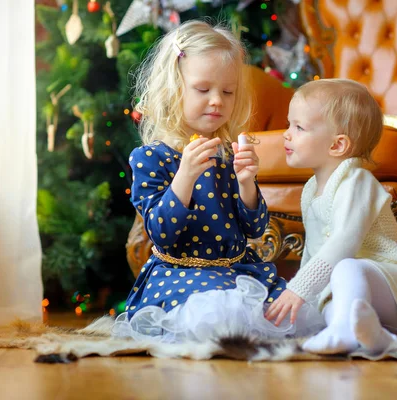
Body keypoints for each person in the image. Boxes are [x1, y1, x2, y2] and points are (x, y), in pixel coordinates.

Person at [113, 20, 323, 342]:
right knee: (214, 310)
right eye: (202, 89)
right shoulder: (151, 157)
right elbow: (162, 234)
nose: (217, 101)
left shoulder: (229, 153)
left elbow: (254, 228)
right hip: (180, 274)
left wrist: (247, 184)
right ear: (173, 90)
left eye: (227, 92)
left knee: (279, 311)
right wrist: (185, 175)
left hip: (238, 270)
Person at [265, 79, 397, 354]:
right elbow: (315, 252)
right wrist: (305, 299)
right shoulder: (310, 191)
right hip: (355, 297)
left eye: (299, 127)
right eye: (288, 124)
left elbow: (344, 243)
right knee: (325, 303)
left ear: (338, 145)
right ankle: (372, 336)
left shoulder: (357, 181)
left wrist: (300, 287)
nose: (286, 134)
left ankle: (345, 328)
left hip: (395, 289)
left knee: (346, 267)